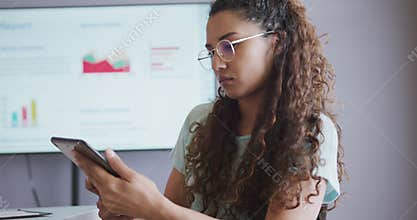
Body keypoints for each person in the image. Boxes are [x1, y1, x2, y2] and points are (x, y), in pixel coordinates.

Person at [73, 0, 346, 219]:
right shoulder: (201, 120)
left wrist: (154, 207)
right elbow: (169, 214)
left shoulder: (311, 132)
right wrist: (128, 209)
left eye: (229, 46)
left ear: (277, 43)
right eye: (212, 51)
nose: (217, 63)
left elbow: (165, 212)